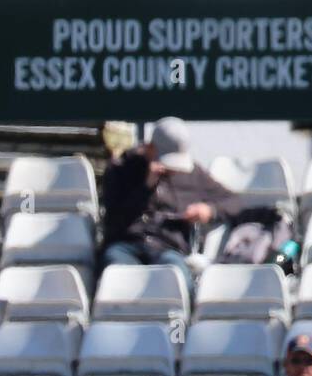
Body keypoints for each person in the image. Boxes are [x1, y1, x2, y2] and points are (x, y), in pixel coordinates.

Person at [99, 116, 242, 283]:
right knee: (117, 271)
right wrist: (145, 187)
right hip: (126, 245)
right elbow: (113, 219)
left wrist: (210, 210)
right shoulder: (122, 169)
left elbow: (235, 202)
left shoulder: (193, 175)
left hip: (168, 247)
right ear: (150, 149)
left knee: (177, 274)